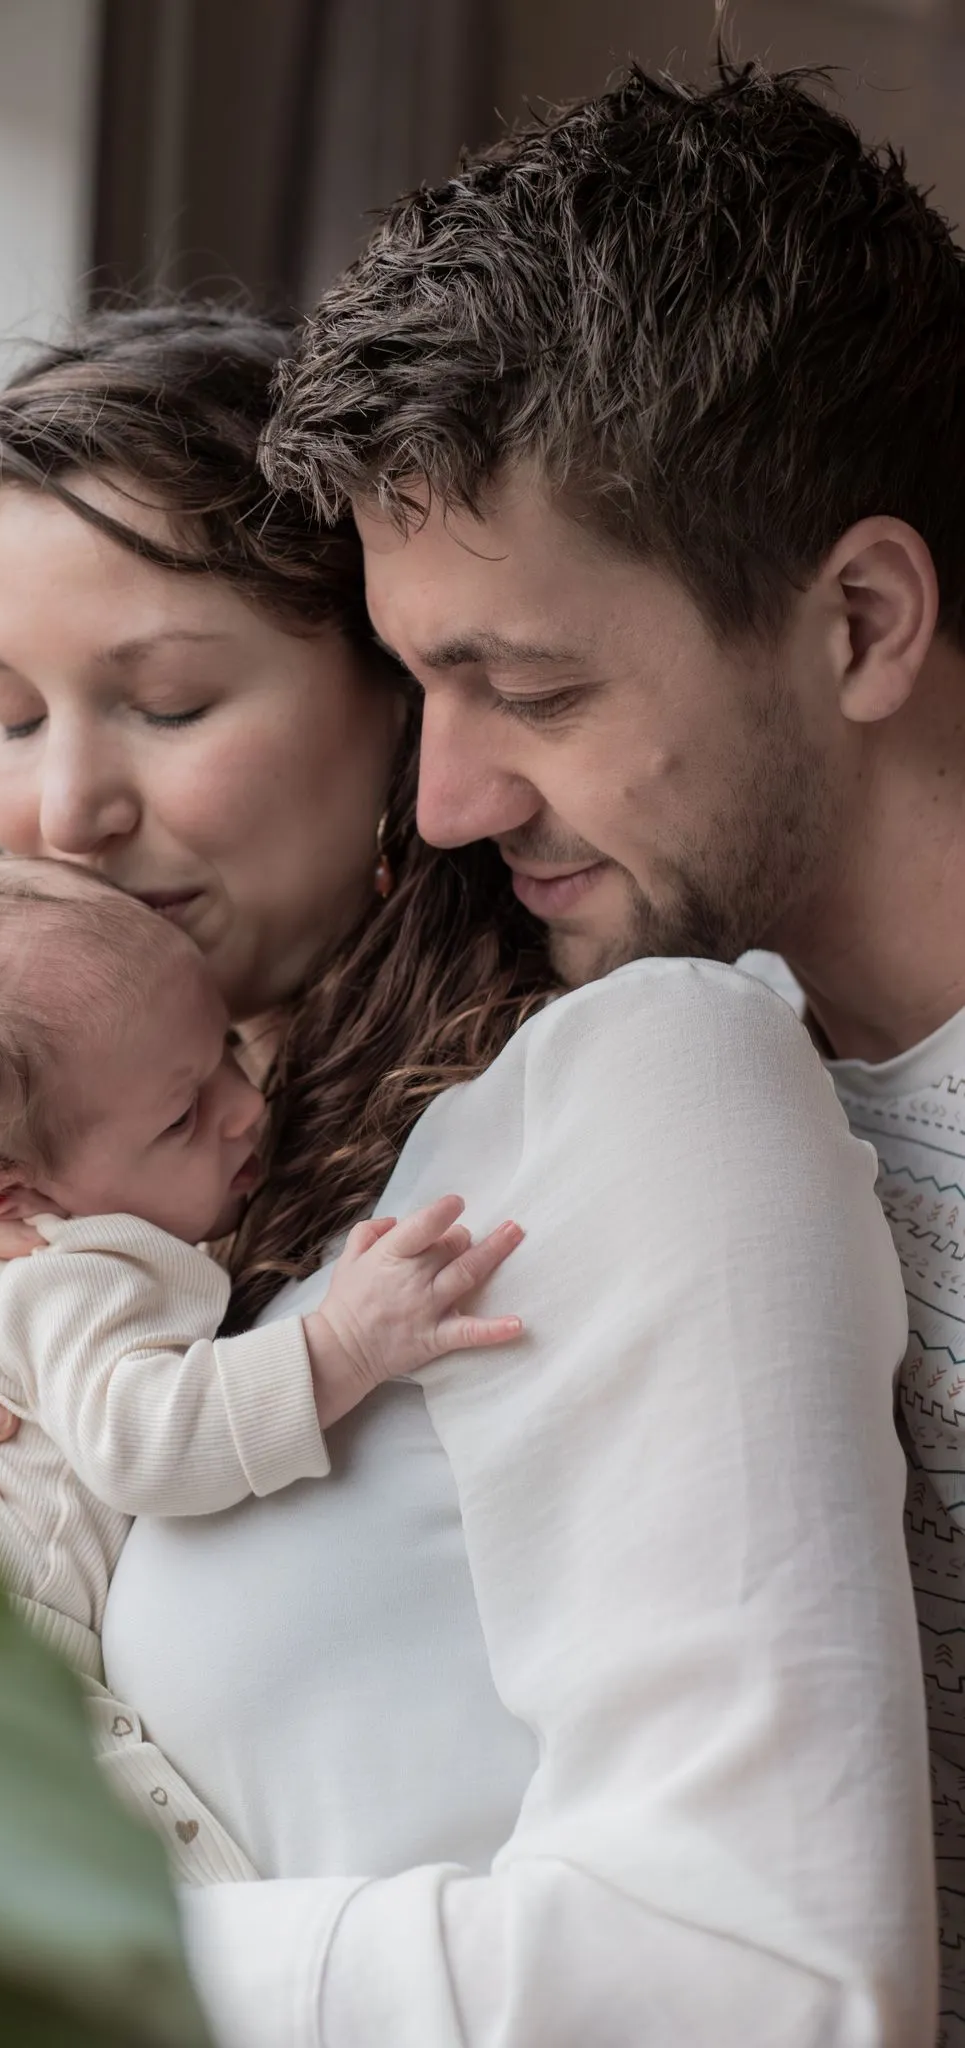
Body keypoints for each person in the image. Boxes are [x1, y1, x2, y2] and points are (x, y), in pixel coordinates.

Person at [0, 301, 932, 2045]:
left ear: (396, 709)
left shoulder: (613, 1098)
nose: (65, 810)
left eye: (167, 700)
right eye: (3, 712)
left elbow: (770, 1985)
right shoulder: (69, 1232)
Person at [263, 51, 964, 2047]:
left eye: (532, 686)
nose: (451, 798)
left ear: (856, 622)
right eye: (418, 683)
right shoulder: (599, 1068)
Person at [0, 851, 523, 1881]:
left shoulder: (3, 1257)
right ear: (7, 1192)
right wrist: (339, 1345)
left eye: (228, 1055)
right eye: (182, 1115)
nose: (245, 1108)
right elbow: (141, 1441)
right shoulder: (65, 1271)